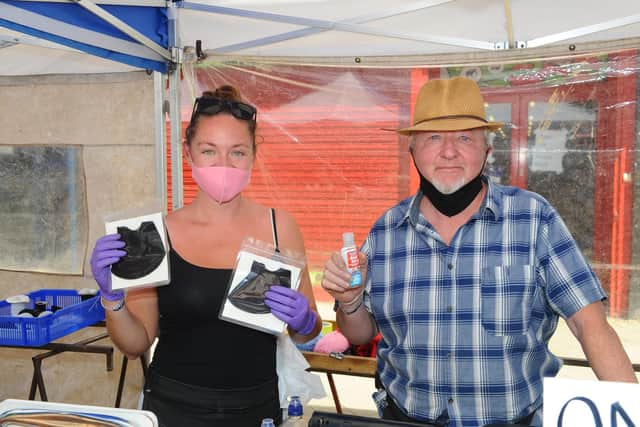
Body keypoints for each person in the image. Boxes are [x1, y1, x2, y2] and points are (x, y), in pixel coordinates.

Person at [321, 76, 637, 427]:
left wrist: (630, 412)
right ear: (413, 152)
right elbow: (359, 335)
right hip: (406, 418)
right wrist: (349, 300)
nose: (449, 151)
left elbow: (589, 325)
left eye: (464, 138)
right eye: (433, 138)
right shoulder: (385, 231)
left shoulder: (534, 219)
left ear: (487, 151)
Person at [90, 85, 321, 427]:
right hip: (172, 410)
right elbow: (137, 341)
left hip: (256, 411)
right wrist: (112, 299)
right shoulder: (158, 235)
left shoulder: (279, 228)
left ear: (254, 154)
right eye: (209, 151)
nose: (224, 164)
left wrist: (304, 321)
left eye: (237, 152)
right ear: (188, 152)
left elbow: (307, 331)